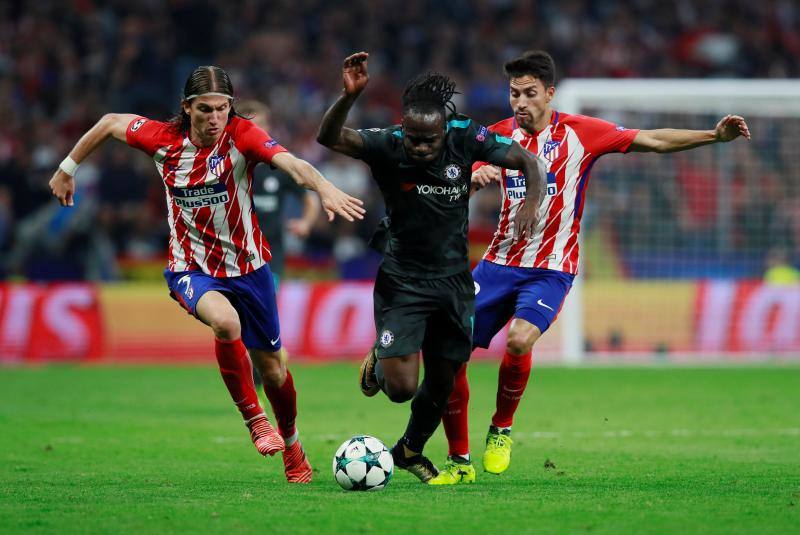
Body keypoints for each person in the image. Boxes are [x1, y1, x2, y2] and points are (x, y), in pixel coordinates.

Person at [437, 50, 751, 484]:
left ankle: (501, 428)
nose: (521, 102)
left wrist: (713, 136)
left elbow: (653, 140)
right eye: (514, 94)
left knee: (519, 339)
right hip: (496, 265)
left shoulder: (582, 132)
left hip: (551, 268)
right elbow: (448, 185)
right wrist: (471, 179)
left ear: (550, 93)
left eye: (530, 93)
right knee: (447, 353)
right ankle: (459, 461)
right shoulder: (495, 136)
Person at [49, 65, 365, 483]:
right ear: (187, 107)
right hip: (191, 267)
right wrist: (67, 167)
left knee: (274, 371)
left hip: (249, 268)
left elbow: (292, 163)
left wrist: (323, 187)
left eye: (222, 108)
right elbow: (109, 122)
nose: (216, 118)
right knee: (225, 322)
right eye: (206, 109)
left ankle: (292, 444)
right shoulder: (162, 139)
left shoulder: (242, 135)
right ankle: (255, 420)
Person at [316, 52, 547, 483]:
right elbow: (328, 137)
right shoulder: (386, 143)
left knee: (444, 380)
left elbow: (529, 161)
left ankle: (408, 450)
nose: (421, 148)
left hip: (454, 282)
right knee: (401, 389)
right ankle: (381, 358)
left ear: (445, 129)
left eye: (430, 141)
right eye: (414, 140)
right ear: (403, 129)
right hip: (403, 280)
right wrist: (348, 97)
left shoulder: (466, 135)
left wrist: (531, 201)